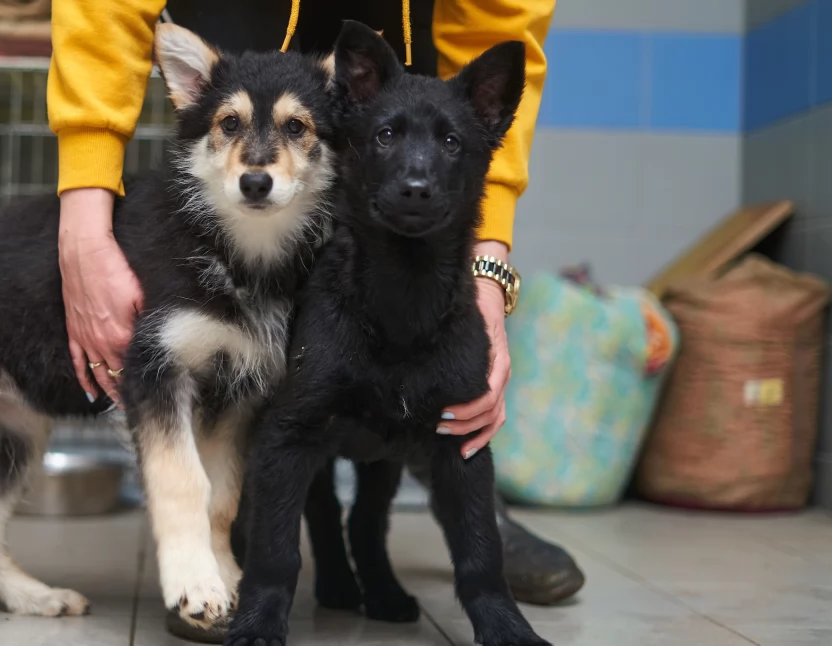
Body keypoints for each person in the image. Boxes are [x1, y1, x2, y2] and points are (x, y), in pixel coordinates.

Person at [46, 0, 585, 617]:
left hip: (394, 29)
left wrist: (485, 272)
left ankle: (465, 505)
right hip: (237, 23)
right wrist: (85, 229)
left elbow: (500, 18)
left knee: (398, 250)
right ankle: (225, 531)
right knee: (274, 334)